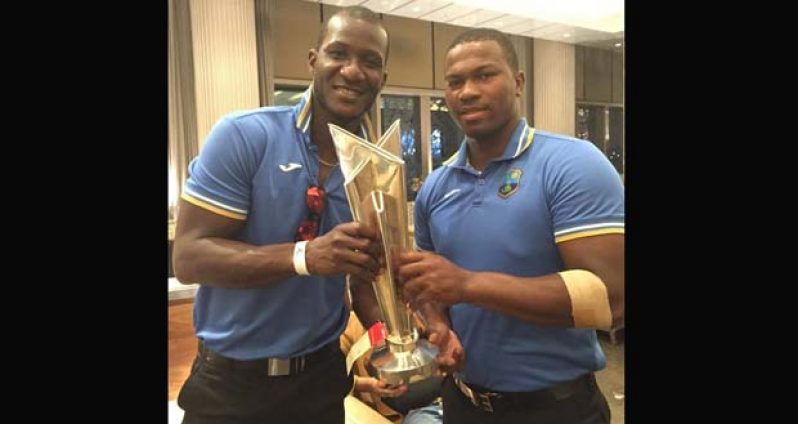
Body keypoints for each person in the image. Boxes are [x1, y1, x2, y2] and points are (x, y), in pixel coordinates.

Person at [172, 6, 393, 423]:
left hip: (321, 384)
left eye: (370, 62)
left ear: (383, 77)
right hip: (232, 386)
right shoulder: (244, 135)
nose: (352, 71)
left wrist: (385, 338)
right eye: (338, 53)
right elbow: (189, 258)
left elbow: (361, 278)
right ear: (313, 59)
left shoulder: (373, 166)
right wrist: (305, 258)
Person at [397, 28, 624, 424]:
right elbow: (428, 285)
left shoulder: (571, 163)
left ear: (518, 82)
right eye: (454, 82)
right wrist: (438, 326)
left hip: (554, 409)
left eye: (484, 75)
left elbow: (612, 297)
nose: (467, 91)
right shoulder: (436, 185)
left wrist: (468, 285)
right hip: (462, 403)